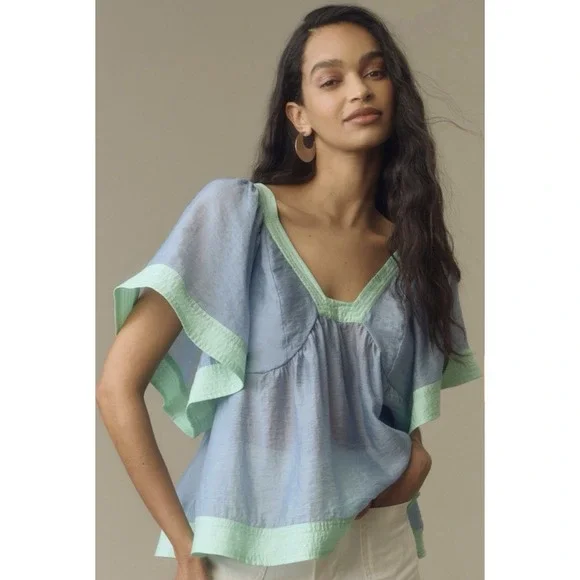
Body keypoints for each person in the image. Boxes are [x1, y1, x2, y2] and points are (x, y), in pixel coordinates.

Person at [96, 4, 482, 579]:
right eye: (331, 80)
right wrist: (184, 544)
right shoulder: (238, 217)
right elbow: (116, 388)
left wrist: (414, 464)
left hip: (379, 545)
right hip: (256, 547)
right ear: (299, 117)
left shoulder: (416, 255)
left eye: (374, 72)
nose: (359, 90)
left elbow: (398, 413)